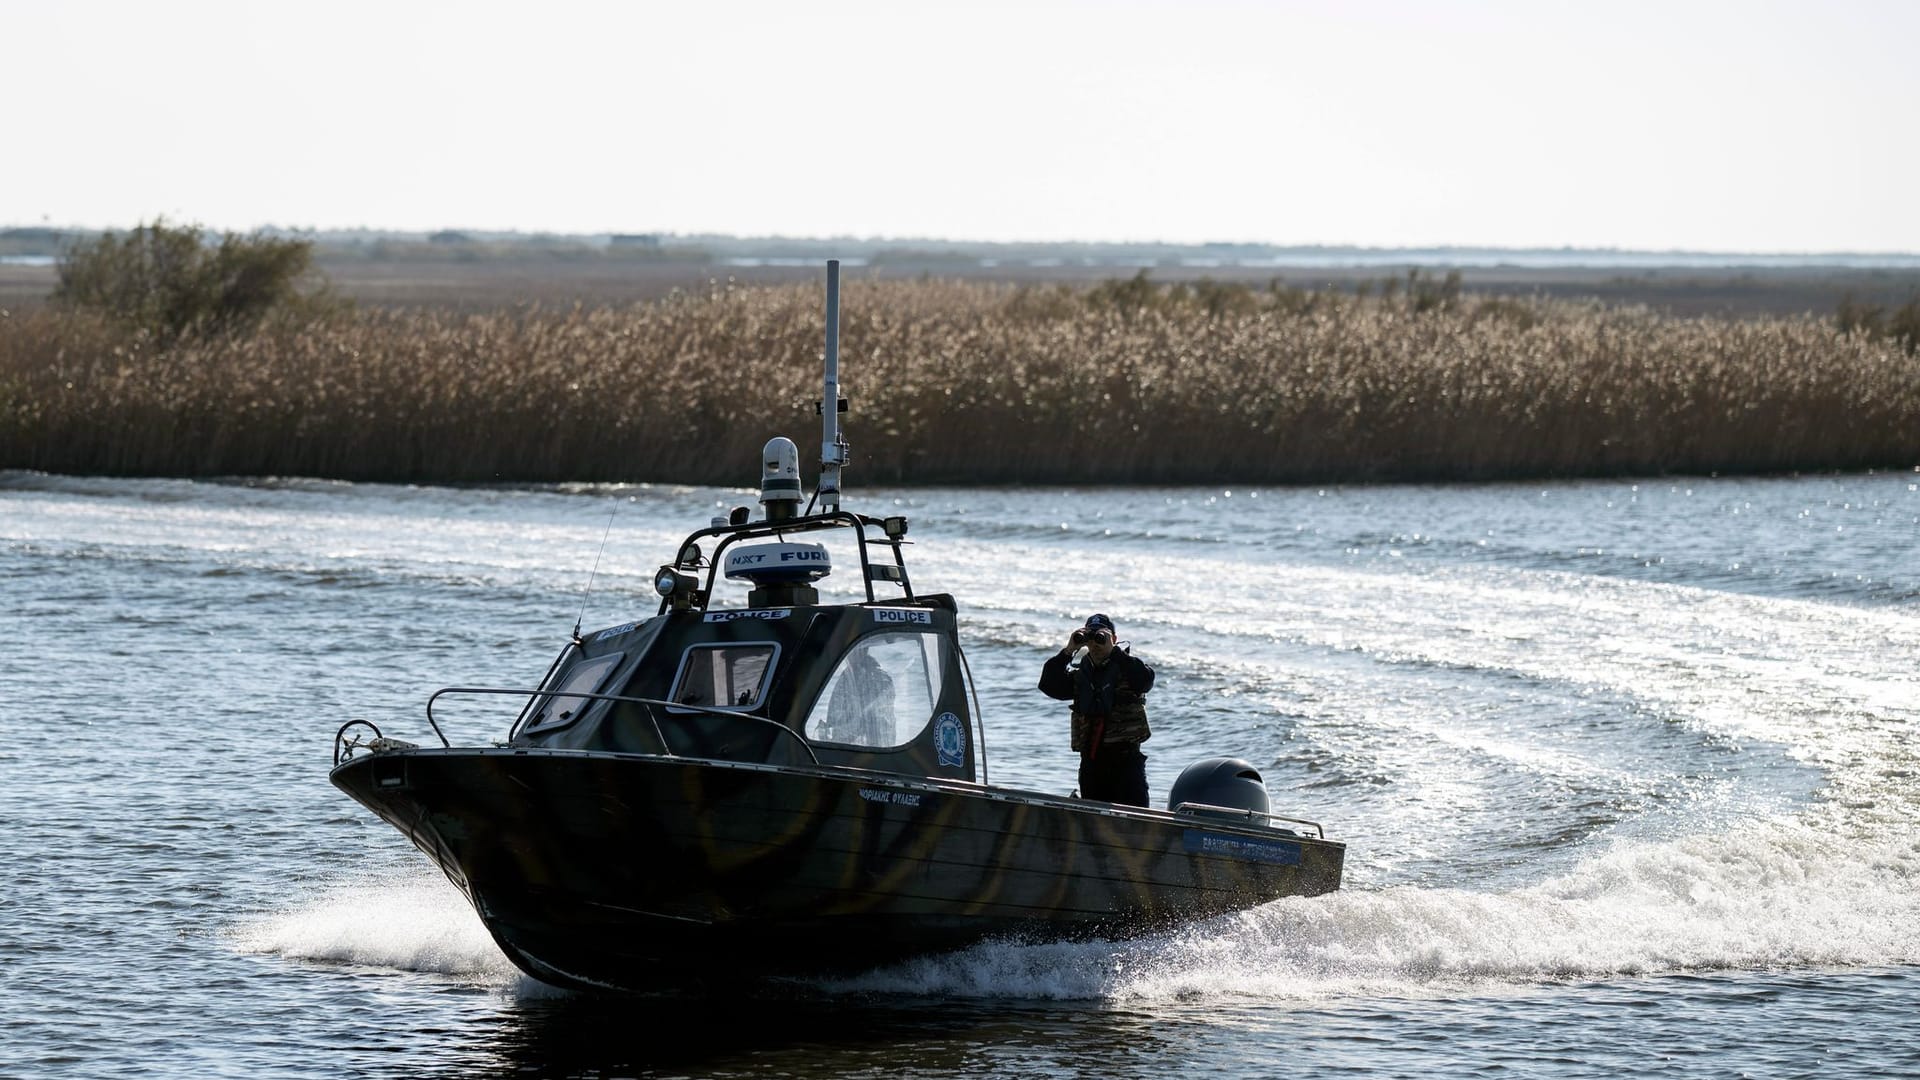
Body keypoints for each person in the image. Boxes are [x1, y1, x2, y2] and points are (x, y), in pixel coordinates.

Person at [1038, 613, 1154, 806]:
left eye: (1102, 637)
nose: (1096, 644)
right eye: (1091, 638)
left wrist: (1115, 652)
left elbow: (1146, 680)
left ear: (1114, 639)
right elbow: (1048, 685)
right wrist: (1068, 650)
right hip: (1092, 762)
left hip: (1126, 763)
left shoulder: (1129, 670)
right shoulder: (1080, 678)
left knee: (1134, 820)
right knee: (1093, 824)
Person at [824, 643, 896, 746]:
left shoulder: (878, 679)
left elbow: (874, 722)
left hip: (864, 750)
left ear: (863, 650)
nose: (849, 655)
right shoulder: (847, 678)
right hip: (866, 748)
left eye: (853, 651)